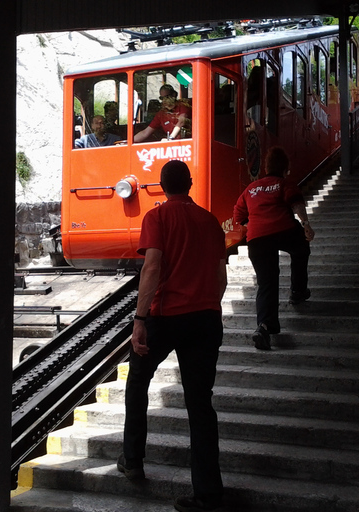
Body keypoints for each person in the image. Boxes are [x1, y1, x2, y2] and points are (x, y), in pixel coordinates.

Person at [118, 160, 227, 512]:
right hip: (206, 318)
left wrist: (139, 318)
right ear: (190, 184)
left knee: (138, 381)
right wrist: (208, 303)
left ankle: (133, 459)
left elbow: (152, 266)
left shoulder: (158, 217)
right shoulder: (210, 221)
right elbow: (221, 276)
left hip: (166, 318)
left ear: (163, 187)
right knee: (200, 405)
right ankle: (208, 493)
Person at [233, 146, 315, 350]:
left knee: (266, 282)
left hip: (257, 239)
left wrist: (255, 225)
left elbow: (238, 216)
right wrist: (306, 225)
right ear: (285, 168)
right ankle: (297, 290)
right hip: (284, 230)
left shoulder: (250, 189)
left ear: (266, 167)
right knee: (301, 249)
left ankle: (263, 327)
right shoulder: (283, 184)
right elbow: (296, 204)